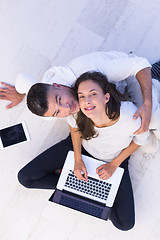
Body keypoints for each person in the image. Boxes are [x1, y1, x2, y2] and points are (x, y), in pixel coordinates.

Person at [66, 71, 160, 230]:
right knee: (26, 178)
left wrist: (114, 164)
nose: (86, 102)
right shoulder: (79, 111)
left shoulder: (129, 117)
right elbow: (73, 126)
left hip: (115, 159)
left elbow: (140, 140)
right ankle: (72, 191)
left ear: (106, 97)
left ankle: (153, 81)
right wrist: (77, 159)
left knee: (125, 224)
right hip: (86, 153)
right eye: (81, 96)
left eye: (93, 94)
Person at [0, 51, 155, 134]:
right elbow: (25, 82)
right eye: (57, 112)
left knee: (150, 119)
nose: (67, 109)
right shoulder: (48, 108)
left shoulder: (92, 69)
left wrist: (147, 103)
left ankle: (155, 76)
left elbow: (139, 64)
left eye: (60, 99)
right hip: (110, 95)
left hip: (127, 75)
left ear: (58, 85)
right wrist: (20, 94)